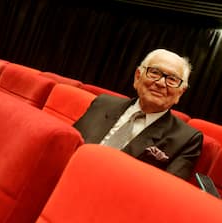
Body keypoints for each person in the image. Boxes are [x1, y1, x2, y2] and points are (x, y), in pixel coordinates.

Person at [74, 49, 203, 180]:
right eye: (154, 73)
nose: (160, 83)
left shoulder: (187, 139)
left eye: (172, 79)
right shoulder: (103, 103)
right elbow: (70, 142)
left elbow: (164, 191)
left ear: (180, 92)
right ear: (137, 76)